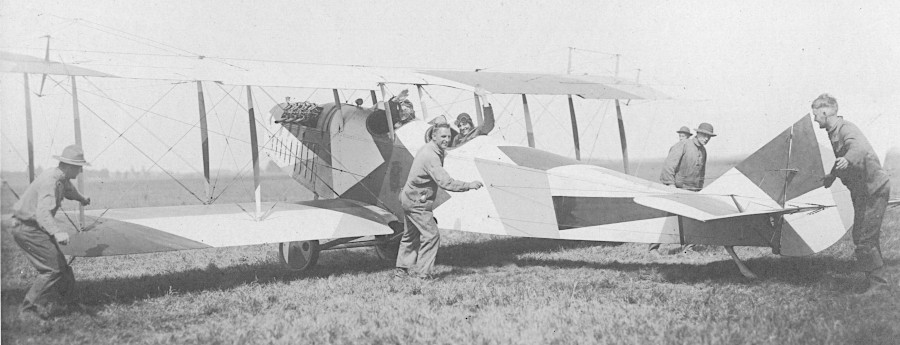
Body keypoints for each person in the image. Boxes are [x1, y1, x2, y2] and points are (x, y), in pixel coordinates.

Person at [812, 93, 893, 294]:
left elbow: (858, 148)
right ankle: (874, 278)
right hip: (862, 191)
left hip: (873, 189)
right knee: (862, 236)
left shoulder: (846, 128)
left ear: (824, 112)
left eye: (815, 115)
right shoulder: (834, 131)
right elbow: (842, 157)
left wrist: (848, 159)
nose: (814, 119)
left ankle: (879, 285)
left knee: (865, 238)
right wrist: (832, 175)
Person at [9, 145, 91, 319]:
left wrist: (82, 199)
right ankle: (28, 310)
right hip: (28, 228)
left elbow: (69, 190)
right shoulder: (51, 181)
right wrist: (56, 232)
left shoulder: (60, 177)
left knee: (64, 270)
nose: (81, 170)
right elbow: (43, 213)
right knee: (52, 270)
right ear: (69, 166)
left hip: (34, 227)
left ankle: (68, 305)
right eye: (79, 166)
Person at [395, 123, 483, 279]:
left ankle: (400, 272)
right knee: (431, 235)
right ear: (433, 136)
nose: (447, 140)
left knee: (410, 235)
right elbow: (446, 182)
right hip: (418, 202)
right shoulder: (431, 156)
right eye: (443, 136)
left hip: (408, 198)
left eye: (449, 136)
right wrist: (469, 185)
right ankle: (423, 275)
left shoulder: (428, 148)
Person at [651, 123, 715, 254]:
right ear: (698, 134)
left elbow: (701, 173)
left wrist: (699, 190)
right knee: (668, 219)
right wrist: (671, 185)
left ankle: (688, 249)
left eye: (709, 136)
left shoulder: (703, 151)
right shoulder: (684, 145)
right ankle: (653, 249)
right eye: (704, 135)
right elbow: (669, 165)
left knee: (693, 219)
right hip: (677, 189)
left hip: (692, 191)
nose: (707, 139)